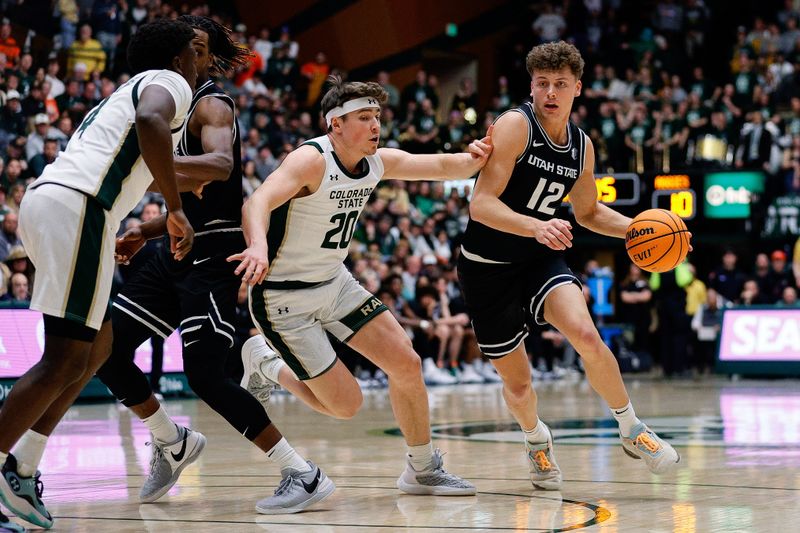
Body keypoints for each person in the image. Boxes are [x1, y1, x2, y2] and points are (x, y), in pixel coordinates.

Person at [231, 75, 492, 499]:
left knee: (407, 363)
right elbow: (256, 202)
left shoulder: (377, 162)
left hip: (336, 282)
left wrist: (479, 153)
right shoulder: (310, 160)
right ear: (335, 124)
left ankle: (422, 469)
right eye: (365, 117)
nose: (376, 126)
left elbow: (449, 166)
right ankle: (265, 361)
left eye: (377, 117)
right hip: (284, 297)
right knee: (345, 405)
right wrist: (257, 245)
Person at [455, 41, 683, 491]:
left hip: (538, 258)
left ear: (578, 88)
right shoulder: (516, 126)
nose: (551, 93)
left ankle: (633, 430)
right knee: (519, 386)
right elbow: (480, 204)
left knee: (585, 334)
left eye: (561, 84)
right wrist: (534, 227)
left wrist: (649, 229)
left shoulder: (581, 146)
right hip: (487, 267)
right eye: (543, 84)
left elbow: (590, 213)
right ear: (532, 86)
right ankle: (535, 438)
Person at [0, 19, 198, 530]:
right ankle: (7, 470)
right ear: (178, 58)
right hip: (80, 208)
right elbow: (154, 124)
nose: (200, 63)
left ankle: (21, 466)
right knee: (64, 360)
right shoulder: (170, 83)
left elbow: (149, 151)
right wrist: (174, 209)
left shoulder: (121, 93)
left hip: (58, 206)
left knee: (98, 348)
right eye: (195, 53)